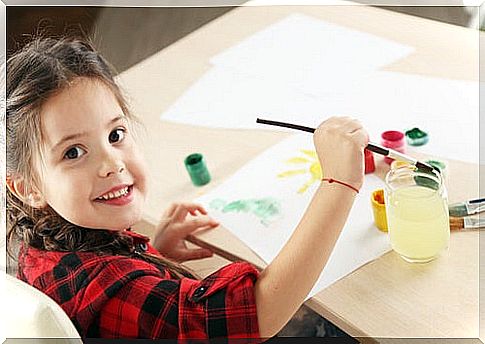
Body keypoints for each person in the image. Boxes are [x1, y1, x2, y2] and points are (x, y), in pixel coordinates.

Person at [5, 36, 368, 340]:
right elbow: (258, 314)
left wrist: (153, 255)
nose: (111, 163)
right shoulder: (112, 289)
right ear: (27, 187)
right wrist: (338, 183)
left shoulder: (40, 245)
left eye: (116, 134)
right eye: (73, 152)